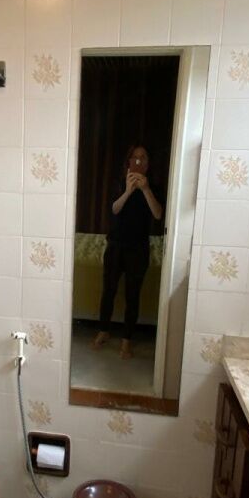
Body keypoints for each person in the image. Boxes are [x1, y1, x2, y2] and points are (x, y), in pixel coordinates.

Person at [93, 145, 163, 359]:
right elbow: (114, 209)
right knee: (108, 290)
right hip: (116, 245)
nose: (139, 161)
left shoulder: (153, 186)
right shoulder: (119, 182)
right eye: (135, 157)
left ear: (148, 163)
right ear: (129, 161)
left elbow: (158, 214)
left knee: (133, 295)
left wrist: (146, 189)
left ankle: (126, 340)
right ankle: (103, 331)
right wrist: (128, 190)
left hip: (138, 248)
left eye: (143, 158)